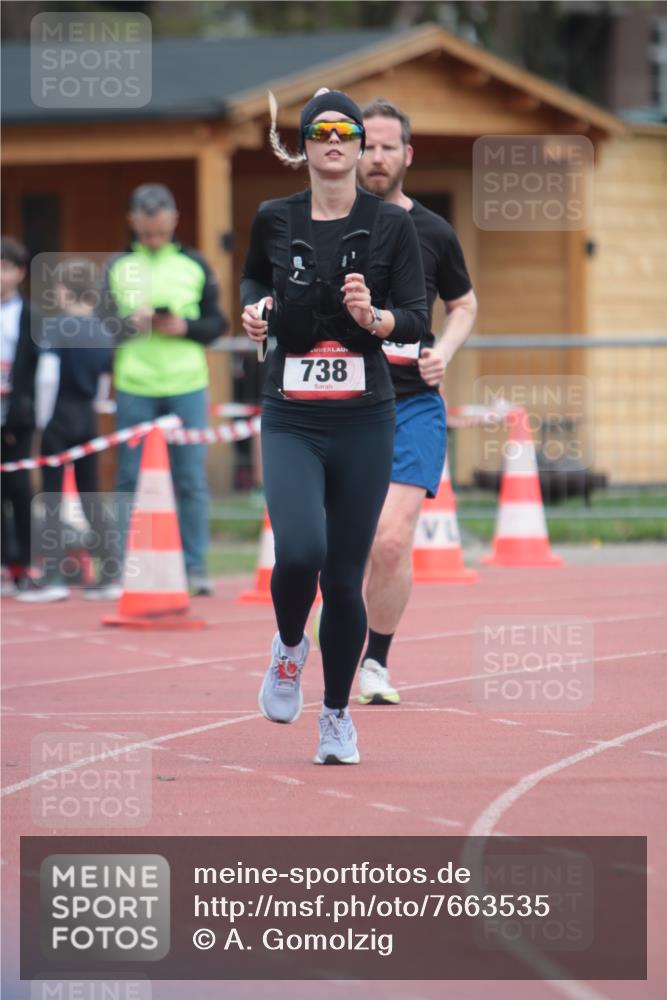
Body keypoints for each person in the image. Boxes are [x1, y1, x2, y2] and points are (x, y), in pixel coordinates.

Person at [241, 88, 428, 764]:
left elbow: (417, 317)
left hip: (363, 418)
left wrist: (376, 318)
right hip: (292, 413)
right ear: (303, 145)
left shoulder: (390, 225)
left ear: (358, 145)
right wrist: (255, 312)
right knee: (298, 553)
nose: (333, 141)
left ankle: (336, 715)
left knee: (345, 579)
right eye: (319, 131)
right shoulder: (274, 217)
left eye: (345, 132)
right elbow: (251, 283)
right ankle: (290, 646)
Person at [355, 98, 478, 704]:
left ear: (406, 154)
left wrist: (443, 352)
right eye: (368, 146)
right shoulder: (323, 225)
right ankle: (325, 613)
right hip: (341, 406)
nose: (377, 157)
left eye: (387, 147)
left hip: (412, 404)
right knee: (337, 545)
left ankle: (375, 663)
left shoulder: (433, 231)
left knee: (390, 539)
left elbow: (464, 304)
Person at [101, 184, 226, 597]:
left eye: (160, 230)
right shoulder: (117, 266)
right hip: (134, 385)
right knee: (128, 477)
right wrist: (128, 324)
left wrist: (185, 327)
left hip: (186, 384)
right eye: (146, 231)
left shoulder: (195, 264)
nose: (154, 237)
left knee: (190, 479)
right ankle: (126, 566)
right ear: (132, 222)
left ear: (174, 220)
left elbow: (217, 324)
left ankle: (195, 566)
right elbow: (100, 327)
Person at [16, 259, 118, 603]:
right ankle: (111, 574)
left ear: (62, 291)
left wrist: (42, 422)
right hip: (87, 417)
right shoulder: (103, 331)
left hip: (58, 416)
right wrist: (95, 407)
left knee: (52, 498)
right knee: (91, 497)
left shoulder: (56, 327)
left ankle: (53, 577)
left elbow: (48, 377)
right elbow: (104, 382)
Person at [1, 236, 41, 595]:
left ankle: (26, 563)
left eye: (5, 268)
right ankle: (4, 562)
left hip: (17, 416)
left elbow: (35, 371)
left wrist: (22, 413)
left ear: (19, 272)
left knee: (19, 487)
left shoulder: (30, 316)